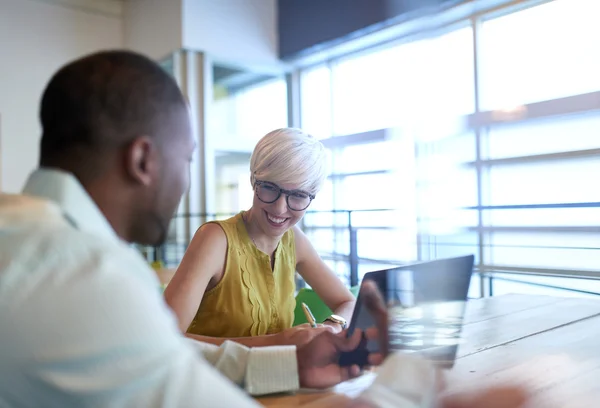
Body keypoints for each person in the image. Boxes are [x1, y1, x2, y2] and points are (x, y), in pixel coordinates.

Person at [0, 50, 387, 407]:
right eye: (186, 158)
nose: (187, 181)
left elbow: (162, 351)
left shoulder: (24, 234)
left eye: (297, 195)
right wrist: (410, 383)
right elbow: (174, 363)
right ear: (143, 159)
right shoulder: (92, 274)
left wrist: (293, 362)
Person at [165, 128, 356, 347]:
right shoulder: (215, 240)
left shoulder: (293, 240)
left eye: (298, 195)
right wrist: (277, 341)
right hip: (211, 380)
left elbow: (348, 302)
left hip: (276, 378)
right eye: (269, 188)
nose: (280, 208)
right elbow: (164, 338)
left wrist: (332, 326)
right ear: (253, 181)